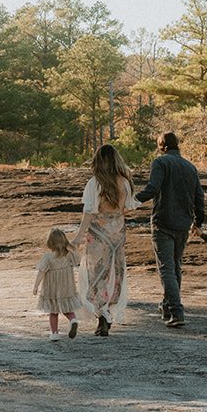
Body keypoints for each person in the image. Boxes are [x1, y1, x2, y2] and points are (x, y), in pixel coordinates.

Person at [136, 131, 205, 327]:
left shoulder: (160, 162)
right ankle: (167, 306)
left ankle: (176, 312)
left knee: (166, 269)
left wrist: (132, 201)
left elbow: (152, 189)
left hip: (163, 222)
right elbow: (199, 197)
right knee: (175, 267)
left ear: (163, 146)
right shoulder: (190, 167)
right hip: (183, 224)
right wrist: (198, 222)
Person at [74, 143, 138, 337]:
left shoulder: (95, 183)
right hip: (117, 233)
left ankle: (101, 316)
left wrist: (78, 237)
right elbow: (128, 208)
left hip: (99, 233)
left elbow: (88, 212)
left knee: (96, 273)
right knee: (115, 271)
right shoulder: (124, 182)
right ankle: (108, 312)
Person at [32, 228, 83, 340]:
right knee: (68, 309)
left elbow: (41, 272)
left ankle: (54, 333)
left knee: (53, 312)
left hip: (52, 289)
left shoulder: (47, 257)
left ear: (50, 243)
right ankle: (73, 320)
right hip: (67, 287)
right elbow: (78, 260)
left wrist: (36, 286)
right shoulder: (69, 255)